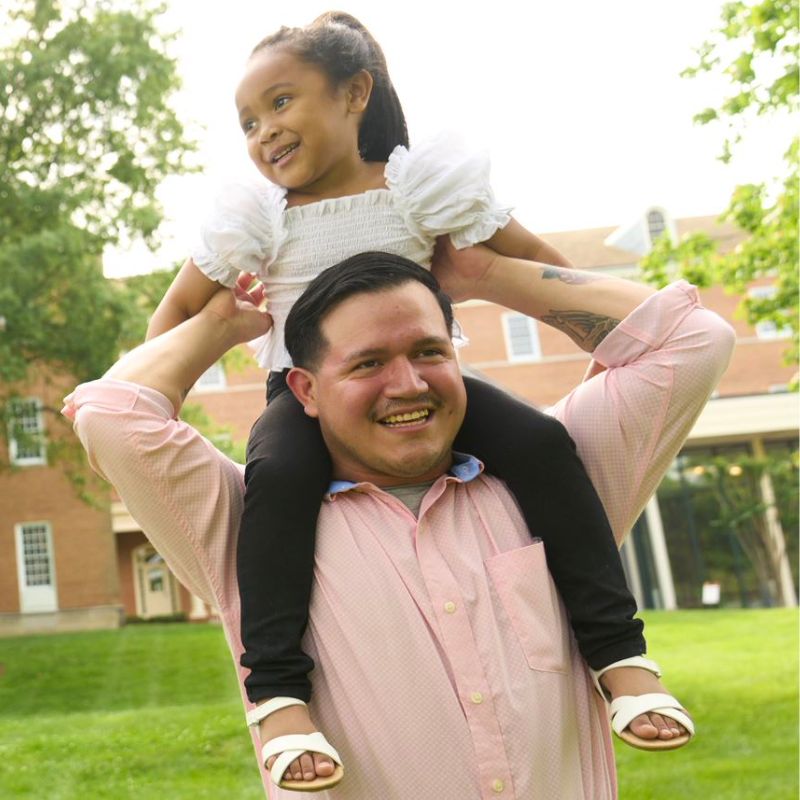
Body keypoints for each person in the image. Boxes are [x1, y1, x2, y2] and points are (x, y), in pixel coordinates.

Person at [145, 12, 678, 786]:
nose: (265, 132)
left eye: (282, 104)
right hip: (303, 396)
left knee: (539, 443)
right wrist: (189, 359)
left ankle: (619, 653)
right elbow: (172, 321)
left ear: (355, 93)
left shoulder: (419, 189)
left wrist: (599, 351)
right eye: (249, 122)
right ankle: (280, 696)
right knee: (280, 480)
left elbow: (536, 263)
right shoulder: (253, 220)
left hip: (428, 381)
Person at [64, 244, 734, 799]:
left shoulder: (555, 486)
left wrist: (488, 275)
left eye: (429, 352)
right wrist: (220, 326)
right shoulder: (246, 530)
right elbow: (111, 416)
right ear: (305, 391)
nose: (408, 384)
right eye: (367, 363)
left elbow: (693, 337)